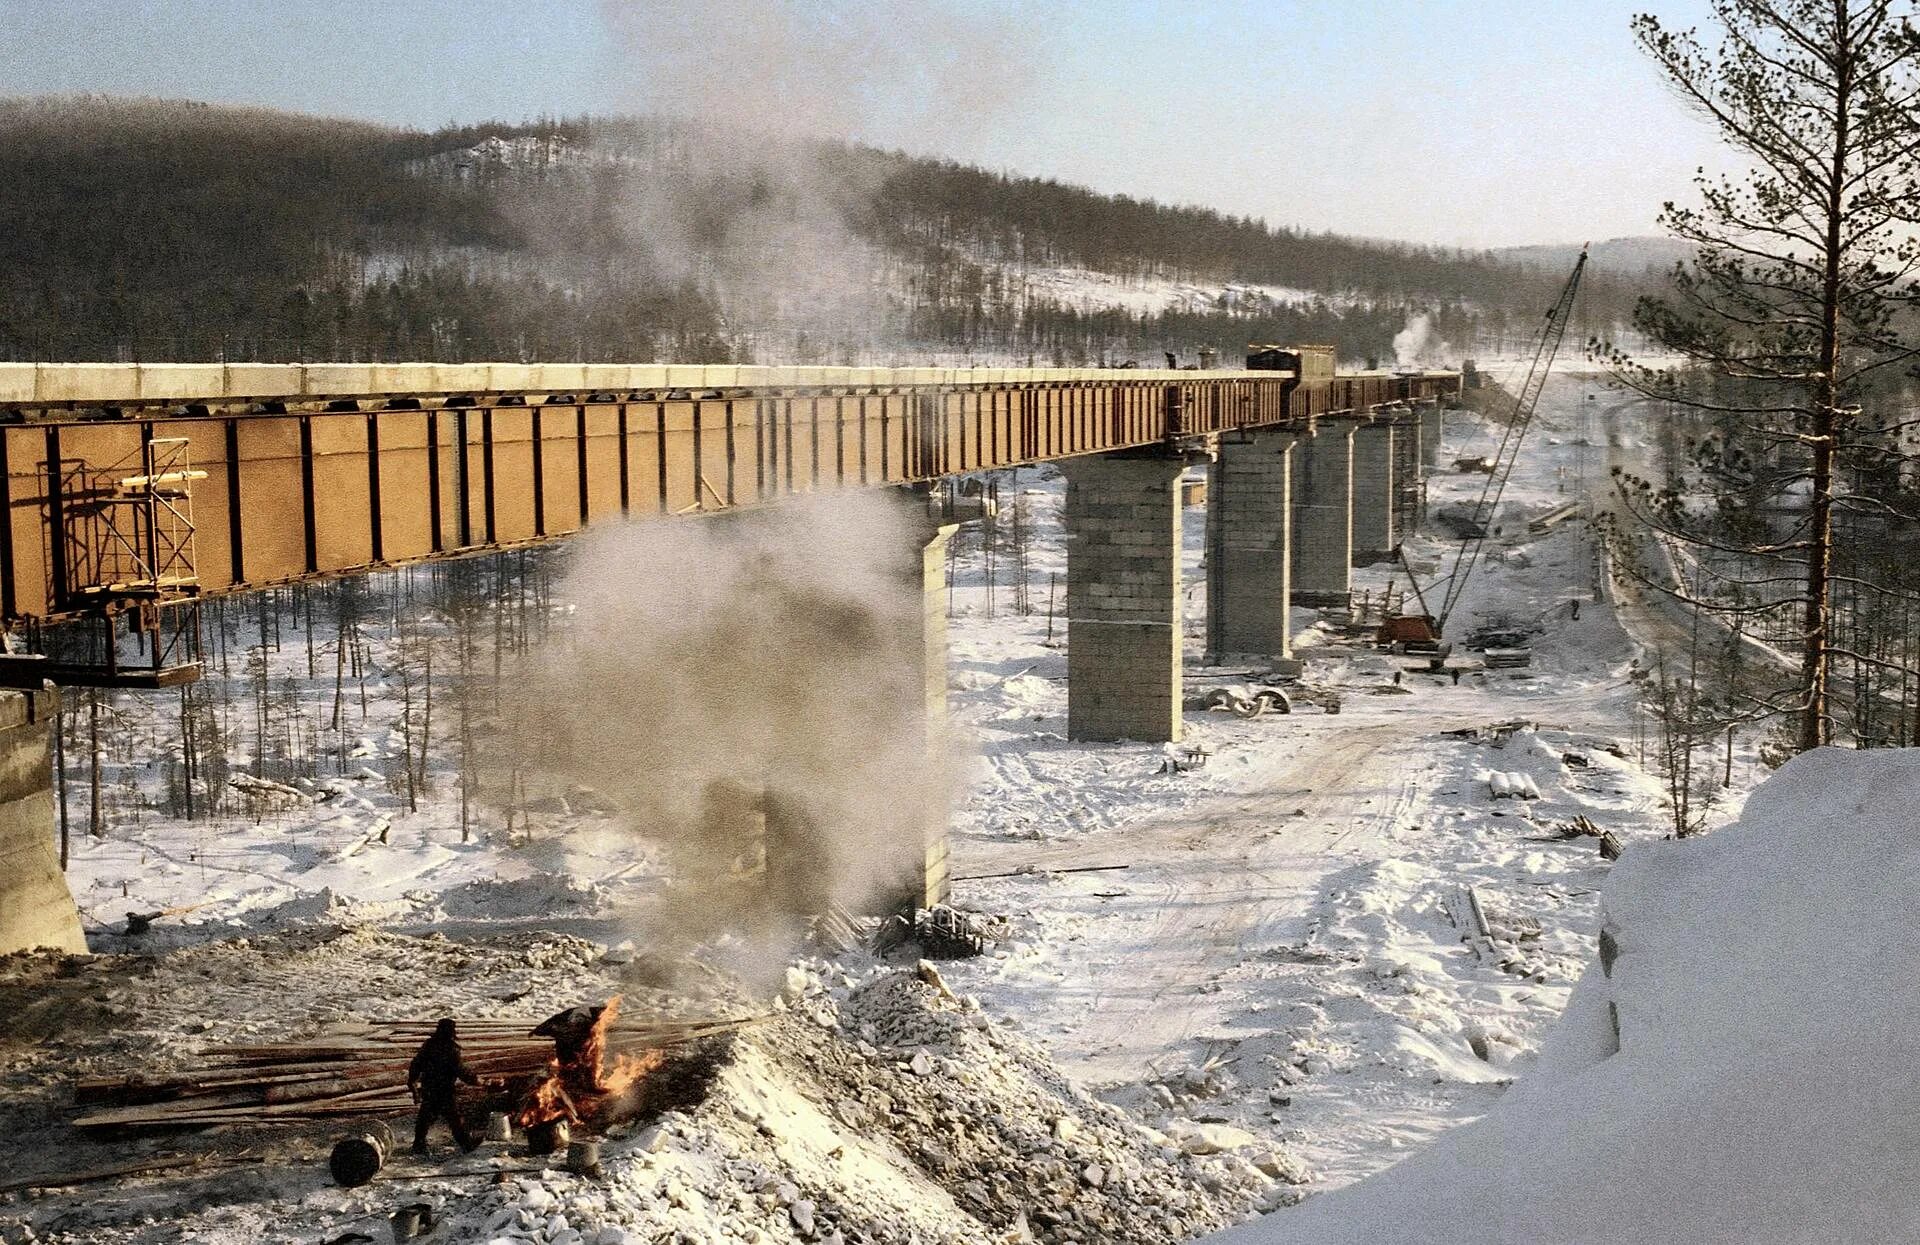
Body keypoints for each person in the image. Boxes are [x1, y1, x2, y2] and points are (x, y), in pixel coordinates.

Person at [408, 1017, 482, 1154]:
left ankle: (418, 1144)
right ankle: (467, 1145)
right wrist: (476, 1080)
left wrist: (412, 1080)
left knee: (425, 1116)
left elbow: (416, 1064)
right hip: (444, 1090)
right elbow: (460, 1070)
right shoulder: (451, 1049)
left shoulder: (429, 1045)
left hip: (429, 1087)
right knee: (454, 1118)